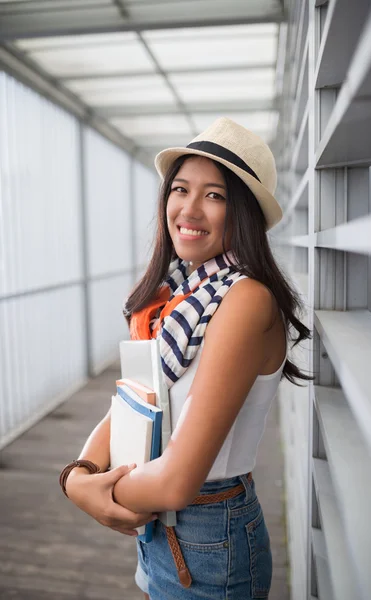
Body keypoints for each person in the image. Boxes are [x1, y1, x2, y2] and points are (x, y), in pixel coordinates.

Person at [60, 117, 312, 599]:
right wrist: (77, 475)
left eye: (214, 195)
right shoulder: (181, 294)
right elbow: (129, 404)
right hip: (160, 532)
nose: (189, 209)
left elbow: (177, 482)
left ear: (244, 213)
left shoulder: (246, 299)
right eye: (180, 189)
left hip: (207, 532)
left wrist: (96, 491)